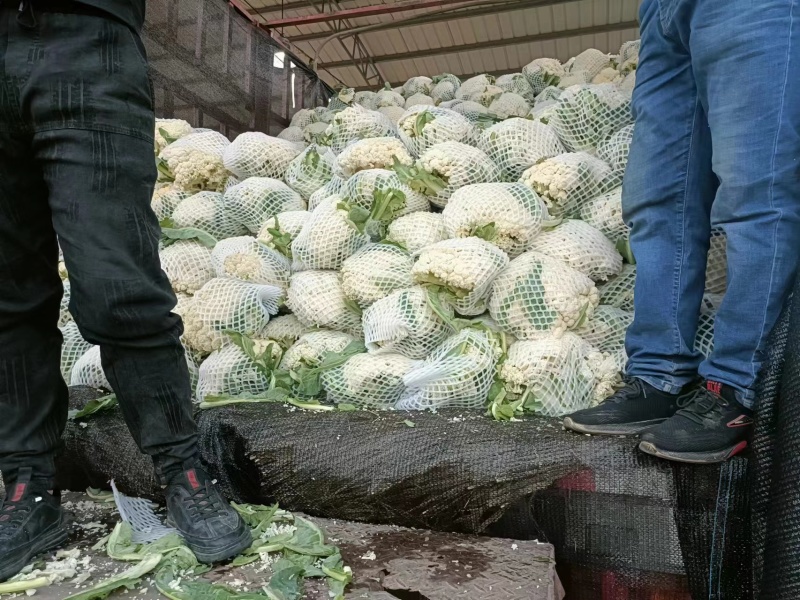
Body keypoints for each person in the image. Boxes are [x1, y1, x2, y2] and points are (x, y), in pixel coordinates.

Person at [0, 0, 252, 581]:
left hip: (88, 40)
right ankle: (27, 488)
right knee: (7, 296)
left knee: (118, 286)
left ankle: (184, 470)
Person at [564, 0, 800, 463]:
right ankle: (659, 375)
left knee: (756, 189)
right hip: (662, 12)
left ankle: (735, 387)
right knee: (656, 200)